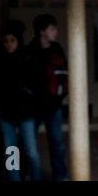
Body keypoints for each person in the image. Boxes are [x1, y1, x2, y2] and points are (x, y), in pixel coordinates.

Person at [0, 20, 42, 181]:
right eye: (6, 41)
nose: (9, 45)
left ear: (18, 41)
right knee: (10, 152)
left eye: (12, 40)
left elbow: (35, 86)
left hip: (25, 114)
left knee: (31, 152)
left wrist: (31, 103)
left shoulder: (27, 60)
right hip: (5, 114)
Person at [26, 14, 69, 181]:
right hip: (33, 107)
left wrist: (60, 97)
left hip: (53, 106)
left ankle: (60, 176)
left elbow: (64, 74)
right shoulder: (30, 50)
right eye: (52, 29)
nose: (56, 32)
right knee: (27, 145)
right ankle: (22, 173)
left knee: (57, 143)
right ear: (41, 31)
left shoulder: (57, 49)